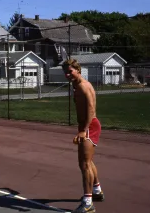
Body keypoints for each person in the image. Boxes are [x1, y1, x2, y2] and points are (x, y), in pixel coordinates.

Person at [62, 59, 104, 213]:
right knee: (88, 161)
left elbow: (91, 109)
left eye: (70, 71)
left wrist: (83, 130)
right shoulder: (76, 84)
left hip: (89, 126)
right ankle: (97, 191)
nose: (67, 74)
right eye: (65, 72)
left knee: (84, 164)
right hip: (87, 126)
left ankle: (88, 203)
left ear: (78, 70)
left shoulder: (82, 86)